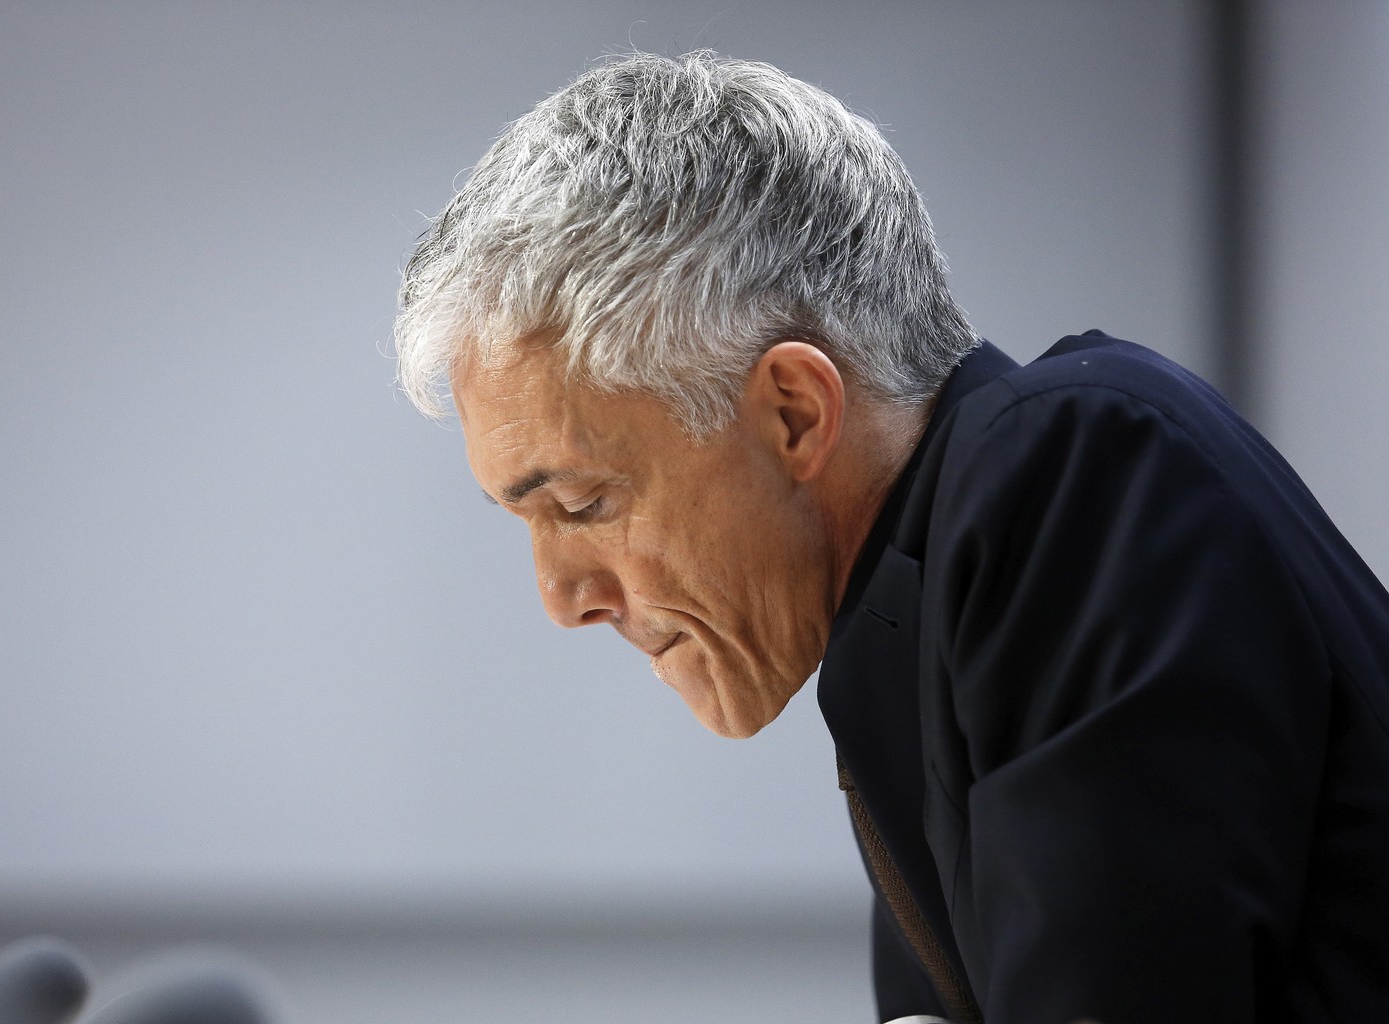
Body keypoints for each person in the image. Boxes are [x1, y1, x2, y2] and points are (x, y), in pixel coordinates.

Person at [393, 51, 1389, 1024]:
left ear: (793, 412)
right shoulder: (916, 612)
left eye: (580, 505)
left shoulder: (1067, 468)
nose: (563, 599)